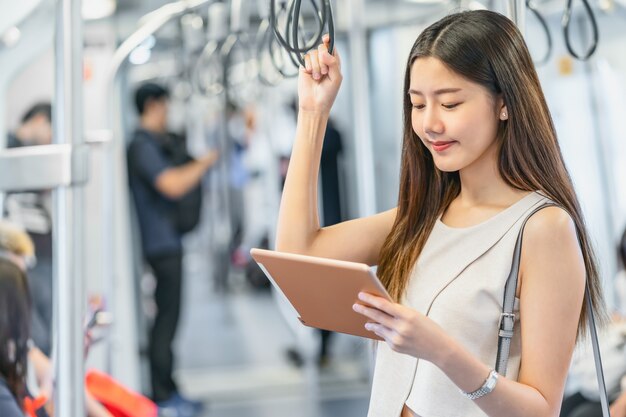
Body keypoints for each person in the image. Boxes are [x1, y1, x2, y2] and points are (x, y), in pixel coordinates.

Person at [276, 10, 605, 417]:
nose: (430, 123)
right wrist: (312, 114)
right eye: (417, 104)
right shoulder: (420, 218)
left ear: (504, 103)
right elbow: (295, 255)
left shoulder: (543, 228)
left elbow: (541, 410)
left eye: (449, 103)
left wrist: (441, 349)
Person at [127, 82, 217, 416]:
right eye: (165, 106)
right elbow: (172, 184)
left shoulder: (153, 144)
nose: (167, 114)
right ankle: (163, 395)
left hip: (167, 241)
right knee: (165, 322)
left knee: (170, 320)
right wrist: (205, 163)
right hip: (160, 245)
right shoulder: (141, 146)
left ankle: (169, 388)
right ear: (152, 105)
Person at [5, 102, 54, 356]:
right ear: (38, 120)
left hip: (43, 253)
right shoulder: (8, 145)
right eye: (50, 132)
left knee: (50, 331)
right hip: (24, 255)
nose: (50, 140)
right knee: (37, 337)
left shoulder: (31, 155)